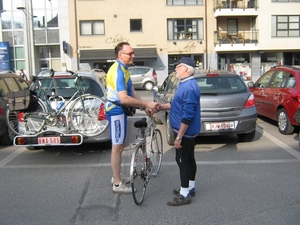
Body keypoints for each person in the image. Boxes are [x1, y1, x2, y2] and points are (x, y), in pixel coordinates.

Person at [105, 42, 159, 194]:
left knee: (119, 146)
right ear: (120, 55)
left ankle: (117, 176)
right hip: (116, 110)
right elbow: (124, 99)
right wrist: (147, 102)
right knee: (117, 147)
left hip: (119, 111)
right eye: (130, 53)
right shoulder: (118, 71)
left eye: (133, 53)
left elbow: (132, 90)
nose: (133, 56)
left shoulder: (124, 69)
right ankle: (117, 183)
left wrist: (144, 106)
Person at [158, 57, 201, 206]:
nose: (175, 69)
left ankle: (184, 194)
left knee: (182, 160)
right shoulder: (185, 84)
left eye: (179, 66)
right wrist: (162, 107)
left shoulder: (189, 87)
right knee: (189, 159)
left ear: (187, 69)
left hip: (185, 132)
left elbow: (187, 116)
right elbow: (178, 104)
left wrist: (179, 137)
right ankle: (190, 187)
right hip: (187, 131)